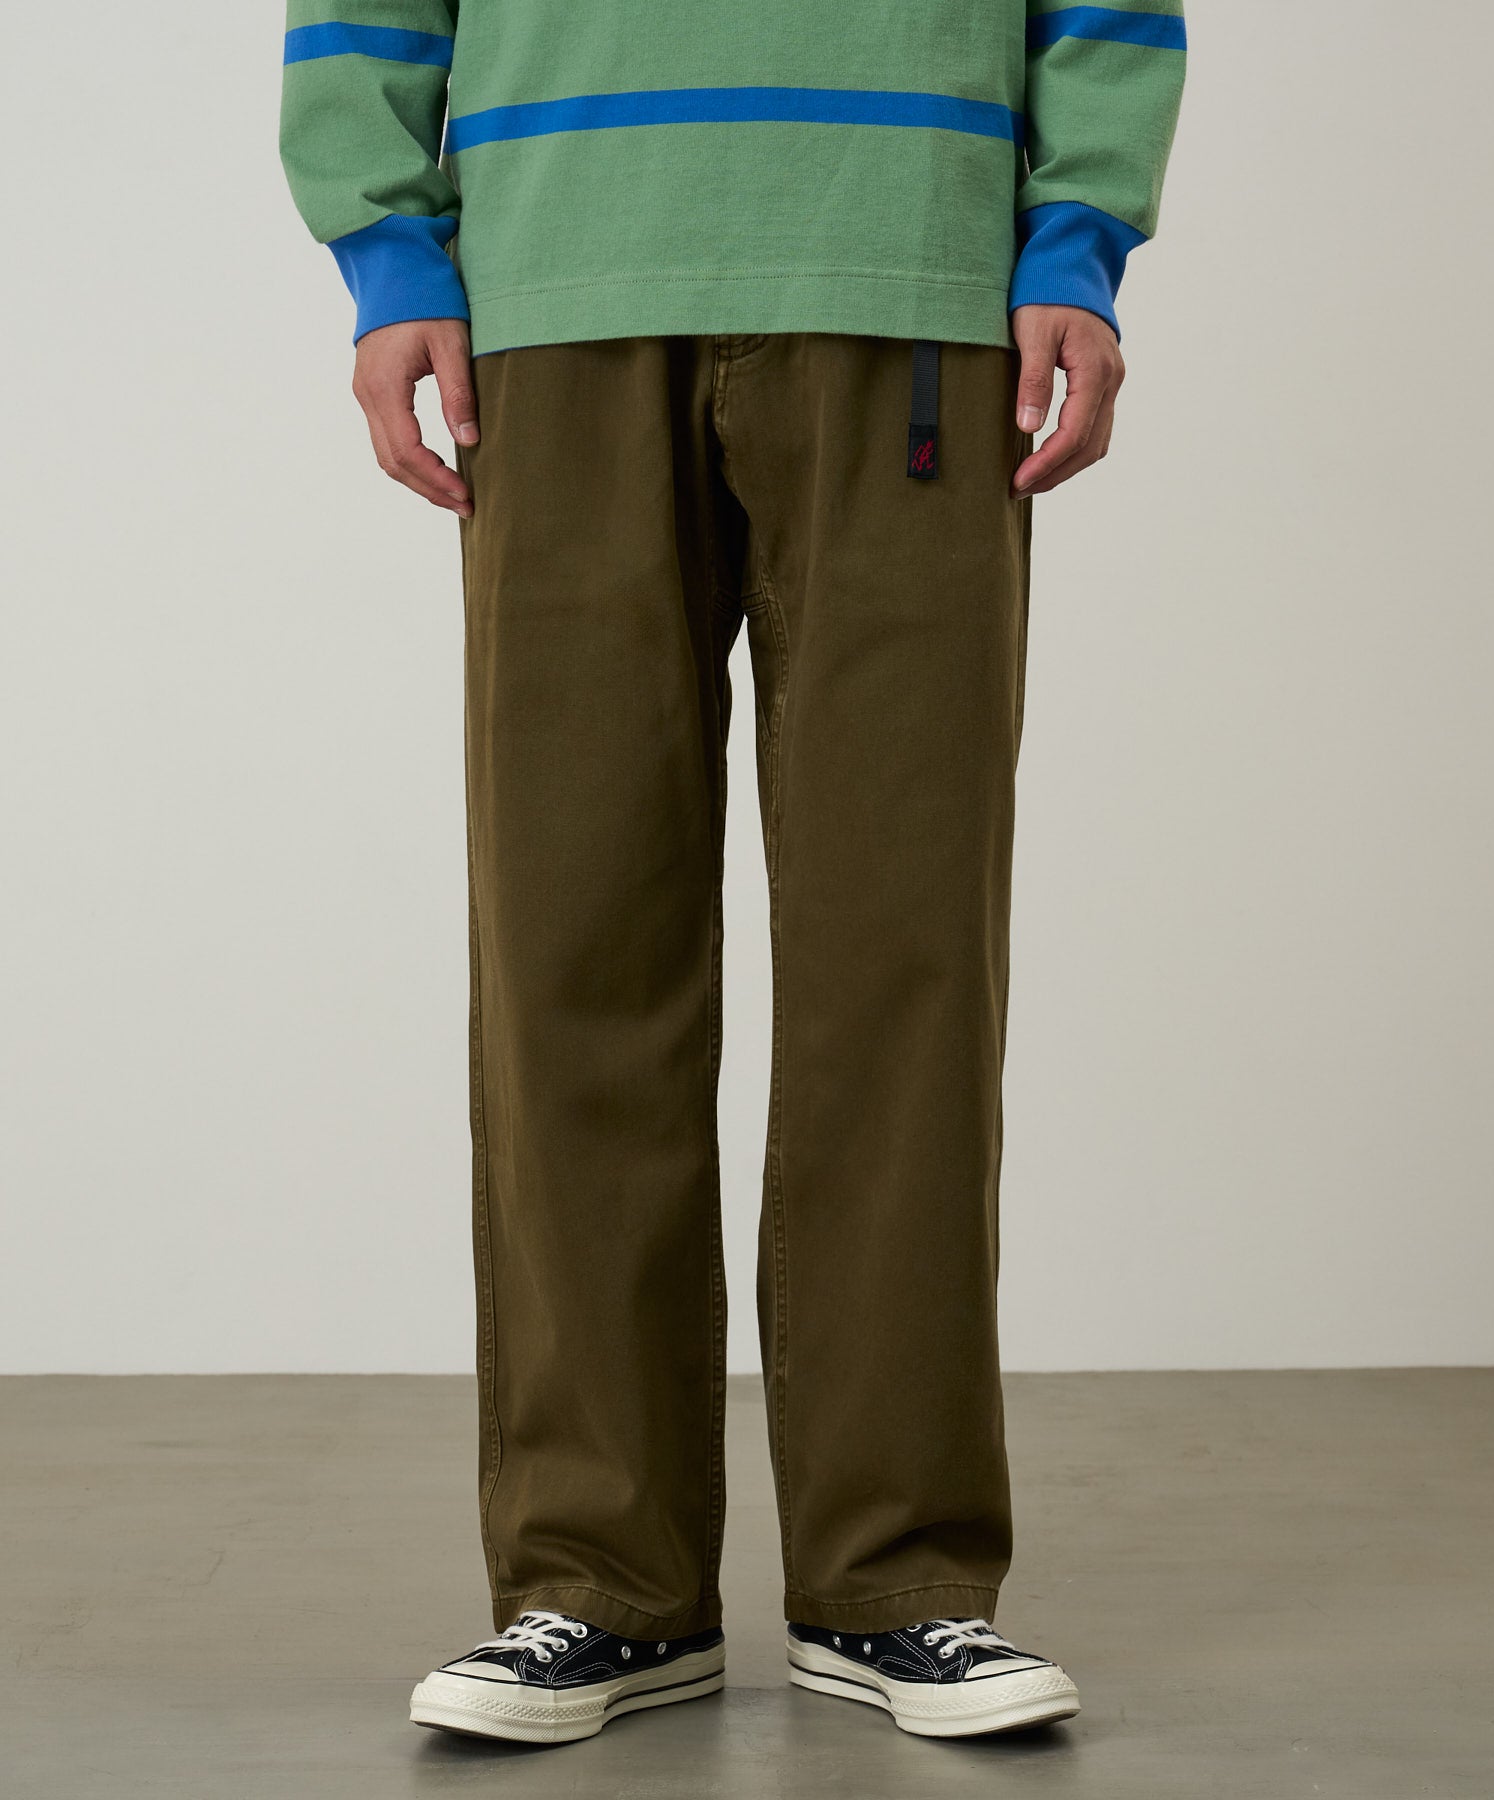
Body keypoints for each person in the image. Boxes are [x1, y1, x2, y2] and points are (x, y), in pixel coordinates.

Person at [280, 0, 1184, 1746]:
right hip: (555, 293)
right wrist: (390, 260)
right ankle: (596, 1583)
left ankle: (897, 1581)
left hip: (910, 282)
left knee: (902, 960)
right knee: (570, 950)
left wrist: (1076, 238)